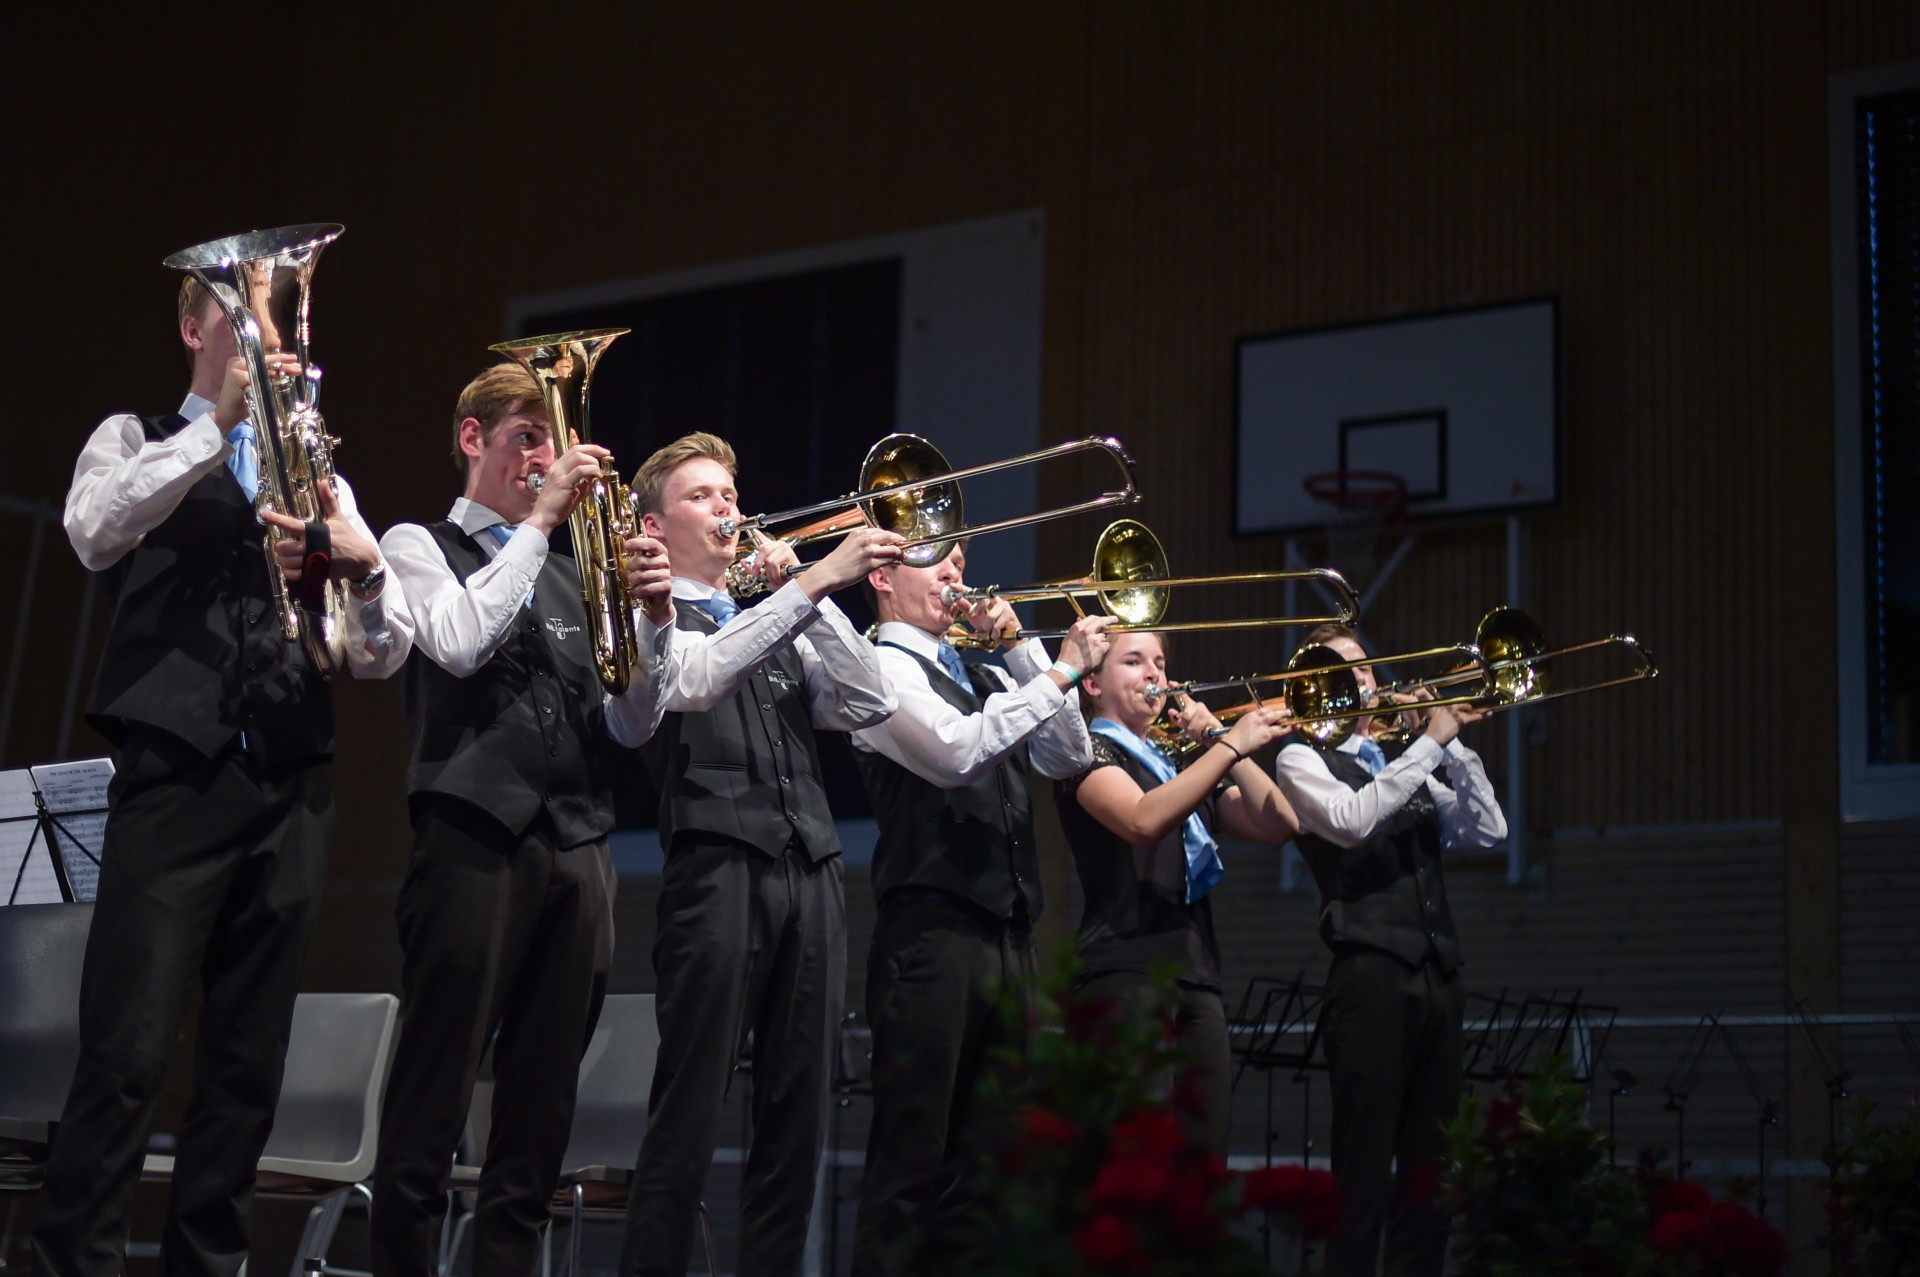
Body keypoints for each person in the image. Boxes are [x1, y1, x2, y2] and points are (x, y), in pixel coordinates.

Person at [35, 276, 407, 1277]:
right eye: (248, 315)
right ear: (196, 327)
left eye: (281, 320)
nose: (271, 337)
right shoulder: (137, 435)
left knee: (246, 1065)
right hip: (174, 769)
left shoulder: (318, 471)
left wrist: (361, 566)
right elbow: (90, 529)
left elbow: (379, 654)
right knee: (129, 1050)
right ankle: (72, 1260)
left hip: (291, 780)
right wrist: (223, 425)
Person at [367, 363, 676, 1276]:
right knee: (431, 1100)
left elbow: (632, 722)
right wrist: (541, 522)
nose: (548, 457)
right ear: (474, 440)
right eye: (526, 436)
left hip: (580, 849)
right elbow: (458, 643)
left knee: (538, 1123)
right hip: (473, 840)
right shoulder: (417, 543)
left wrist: (653, 619)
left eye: (553, 437)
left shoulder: (583, 578)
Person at [618, 432, 901, 1277]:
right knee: (690, 1109)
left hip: (810, 867)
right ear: (654, 526)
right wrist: (812, 580)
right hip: (716, 870)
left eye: (730, 494)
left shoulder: (772, 612)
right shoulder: (641, 618)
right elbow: (693, 680)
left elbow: (869, 697)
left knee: (797, 1116)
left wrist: (798, 593)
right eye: (703, 496)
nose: (728, 508)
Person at [846, 543, 1108, 1276]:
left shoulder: (986, 669)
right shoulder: (878, 667)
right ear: (881, 576)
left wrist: (1024, 648)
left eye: (960, 558)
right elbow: (957, 752)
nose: (956, 574)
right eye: (936, 560)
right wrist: (1060, 671)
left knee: (988, 1173)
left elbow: (1067, 755)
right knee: (911, 1168)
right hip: (930, 939)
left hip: (1008, 935)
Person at [1271, 622, 1508, 1277]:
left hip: (1438, 974)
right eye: (1343, 672)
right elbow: (1352, 821)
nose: (1363, 684)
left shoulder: (1408, 766)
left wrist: (1452, 745)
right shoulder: (1301, 759)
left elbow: (1488, 829)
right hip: (1370, 974)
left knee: (1433, 1169)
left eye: (1367, 671)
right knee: (1365, 1170)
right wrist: (1429, 741)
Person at [1056, 631, 1300, 1154]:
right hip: (1122, 967)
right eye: (1135, 661)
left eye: (1161, 663)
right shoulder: (1082, 751)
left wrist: (1217, 739)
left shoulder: (1181, 769)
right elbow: (1144, 820)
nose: (1155, 675)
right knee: (1130, 1158)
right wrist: (1231, 744)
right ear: (1093, 682)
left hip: (1196, 974)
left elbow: (1280, 822)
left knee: (1202, 1160)